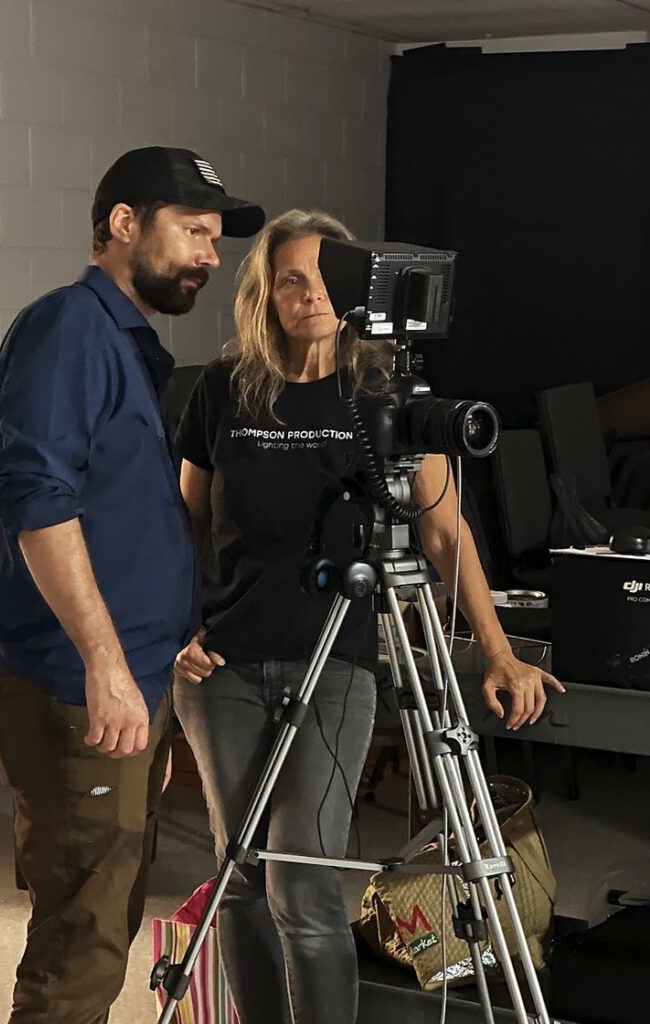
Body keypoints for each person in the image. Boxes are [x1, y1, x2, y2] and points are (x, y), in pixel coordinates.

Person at [172, 208, 565, 1024]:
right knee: (240, 877)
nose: (307, 294)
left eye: (324, 278)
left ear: (352, 291)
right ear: (265, 291)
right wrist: (174, 629)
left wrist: (497, 651)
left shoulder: (383, 396)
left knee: (305, 888)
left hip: (336, 666)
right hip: (224, 668)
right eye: (289, 279)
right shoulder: (223, 388)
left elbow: (443, 529)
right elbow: (184, 519)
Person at [0, 147, 264, 1024]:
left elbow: (121, 512)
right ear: (123, 226)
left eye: (217, 238)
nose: (212, 256)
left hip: (130, 675)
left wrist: (158, 645)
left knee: (108, 906)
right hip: (74, 683)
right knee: (82, 938)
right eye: (193, 232)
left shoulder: (127, 343)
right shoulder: (68, 328)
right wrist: (105, 661)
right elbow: (38, 501)